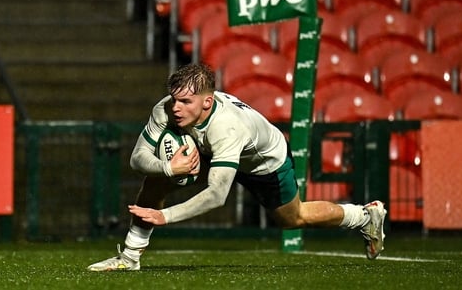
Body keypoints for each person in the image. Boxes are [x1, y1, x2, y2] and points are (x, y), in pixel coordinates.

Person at [87, 63, 386, 271]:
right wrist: (167, 168)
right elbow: (137, 158)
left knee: (294, 218)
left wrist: (164, 216)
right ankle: (129, 257)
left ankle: (363, 216)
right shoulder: (167, 110)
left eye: (186, 101)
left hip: (264, 162)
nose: (176, 107)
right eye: (175, 99)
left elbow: (217, 195)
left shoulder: (227, 127)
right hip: (211, 151)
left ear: (207, 102)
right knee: (156, 181)